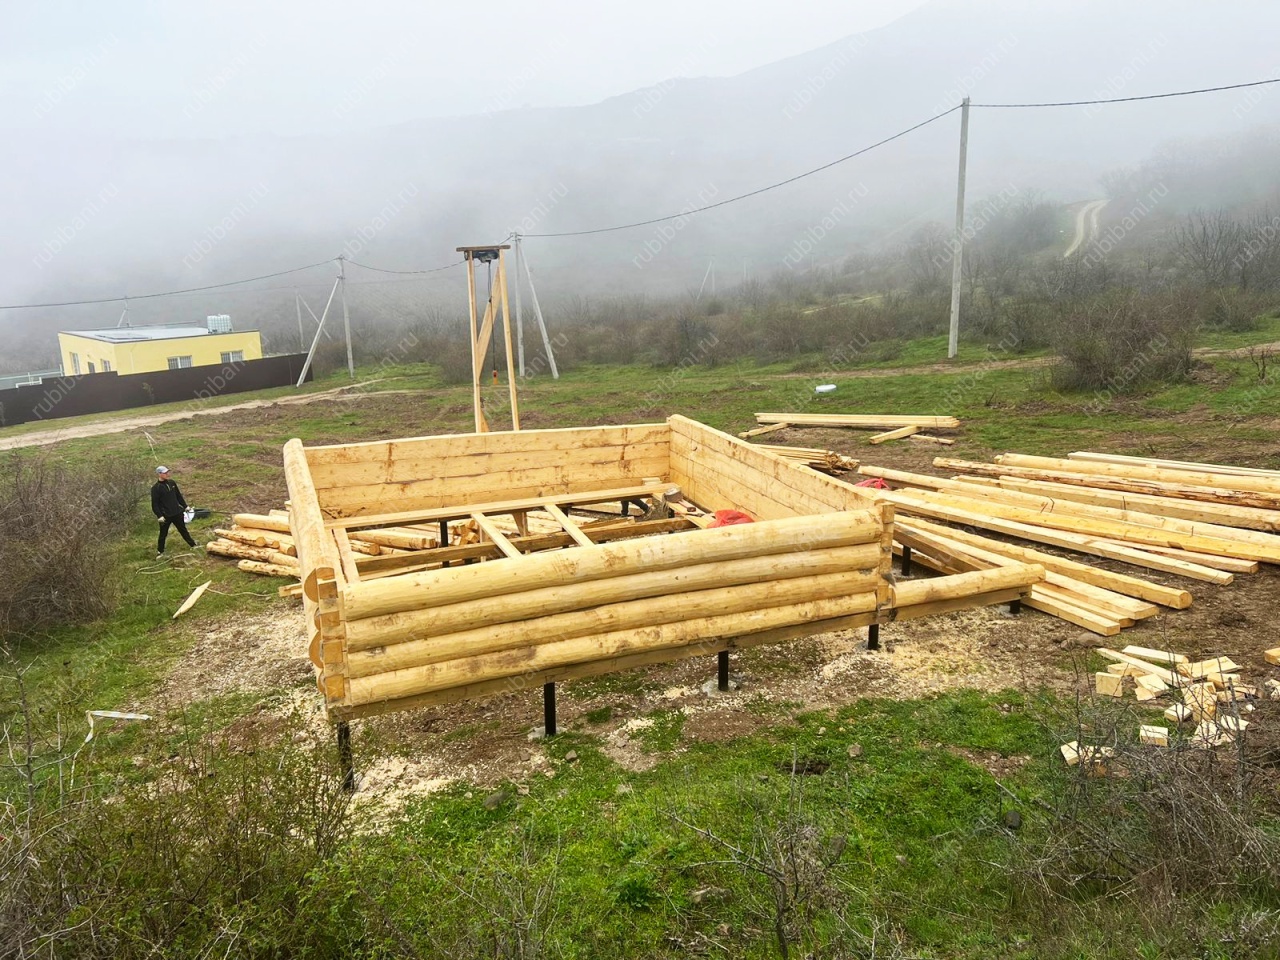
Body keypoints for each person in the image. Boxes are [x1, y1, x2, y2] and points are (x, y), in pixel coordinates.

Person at [151, 465, 199, 559]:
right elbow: (154, 504)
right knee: (163, 534)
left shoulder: (172, 483)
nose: (167, 474)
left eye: (167, 472)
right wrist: (159, 516)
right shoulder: (156, 488)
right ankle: (160, 552)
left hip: (177, 512)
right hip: (165, 516)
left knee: (183, 530)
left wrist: (185, 506)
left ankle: (193, 545)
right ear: (159, 474)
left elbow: (178, 496)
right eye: (165, 473)